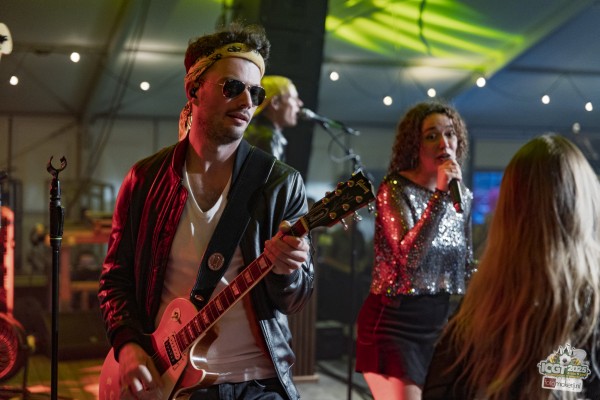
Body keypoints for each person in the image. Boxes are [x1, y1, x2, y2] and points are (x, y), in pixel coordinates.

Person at [98, 22, 314, 400]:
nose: (246, 102)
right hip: (169, 382)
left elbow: (295, 299)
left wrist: (288, 271)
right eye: (232, 87)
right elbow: (116, 280)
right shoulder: (145, 179)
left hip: (257, 381)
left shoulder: (281, 183)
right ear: (194, 89)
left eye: (256, 93)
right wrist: (128, 346)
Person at [423, 134, 600, 400]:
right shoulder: (589, 306)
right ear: (584, 205)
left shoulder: (480, 305)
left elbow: (439, 387)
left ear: (508, 211)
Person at [355, 100, 476, 400]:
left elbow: (466, 264)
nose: (443, 143)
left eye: (450, 134)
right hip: (394, 324)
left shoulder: (463, 196)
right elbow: (409, 260)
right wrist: (439, 196)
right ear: (415, 145)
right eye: (431, 136)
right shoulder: (394, 189)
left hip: (439, 325)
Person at [243, 75, 304, 161]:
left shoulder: (250, 131)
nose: (300, 103)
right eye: (294, 98)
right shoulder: (269, 138)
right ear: (275, 102)